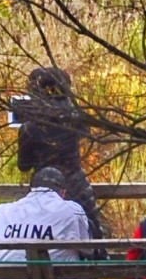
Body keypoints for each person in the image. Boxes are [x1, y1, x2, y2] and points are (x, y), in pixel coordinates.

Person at [10, 67, 95, 218]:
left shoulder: (29, 128)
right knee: (90, 230)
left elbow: (24, 166)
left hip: (41, 190)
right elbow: (86, 132)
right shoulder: (75, 118)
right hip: (76, 186)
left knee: (39, 234)